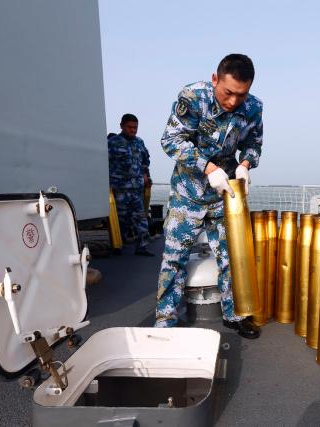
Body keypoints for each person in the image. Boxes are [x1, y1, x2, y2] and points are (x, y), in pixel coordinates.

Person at [155, 53, 263, 339]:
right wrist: (208, 167)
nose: (233, 101)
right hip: (188, 193)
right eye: (228, 93)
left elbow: (253, 144)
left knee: (232, 256)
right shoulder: (193, 97)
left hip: (225, 193)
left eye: (241, 95)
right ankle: (165, 320)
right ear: (215, 79)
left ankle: (235, 314)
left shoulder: (253, 107)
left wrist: (245, 164)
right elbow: (171, 140)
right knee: (174, 259)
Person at [108, 114, 154, 256]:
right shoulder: (112, 143)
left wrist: (146, 176)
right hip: (119, 189)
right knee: (121, 220)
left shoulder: (139, 142)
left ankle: (142, 247)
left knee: (140, 218)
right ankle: (117, 245)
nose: (133, 130)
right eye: (130, 127)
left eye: (135, 128)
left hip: (136, 189)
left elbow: (145, 161)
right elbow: (104, 164)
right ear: (121, 126)